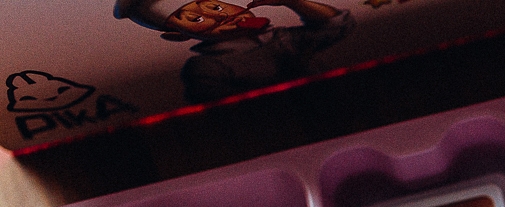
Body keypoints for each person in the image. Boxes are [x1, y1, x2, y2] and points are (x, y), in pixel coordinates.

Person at [114, 0, 353, 103]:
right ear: (177, 36)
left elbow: (336, 27)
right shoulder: (205, 67)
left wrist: (293, 2)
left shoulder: (279, 37)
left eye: (216, 6)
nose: (220, 16)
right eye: (196, 19)